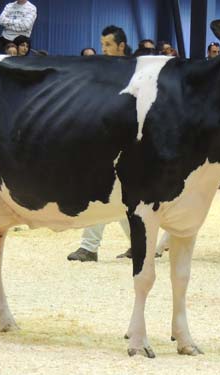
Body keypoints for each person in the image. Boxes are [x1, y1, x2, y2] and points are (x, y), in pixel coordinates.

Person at [67, 25, 133, 263]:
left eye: (108, 45)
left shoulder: (131, 71)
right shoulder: (108, 70)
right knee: (119, 195)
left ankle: (89, 247)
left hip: (124, 141)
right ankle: (139, 244)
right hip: (109, 138)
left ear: (121, 46)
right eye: (102, 45)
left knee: (104, 192)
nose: (104, 49)